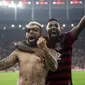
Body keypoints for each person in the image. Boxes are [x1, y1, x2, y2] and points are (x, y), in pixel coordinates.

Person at [45, 16, 85, 85]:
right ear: (46, 29)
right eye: (50, 26)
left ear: (60, 30)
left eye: (56, 25)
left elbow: (79, 27)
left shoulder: (66, 39)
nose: (53, 27)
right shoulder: (43, 44)